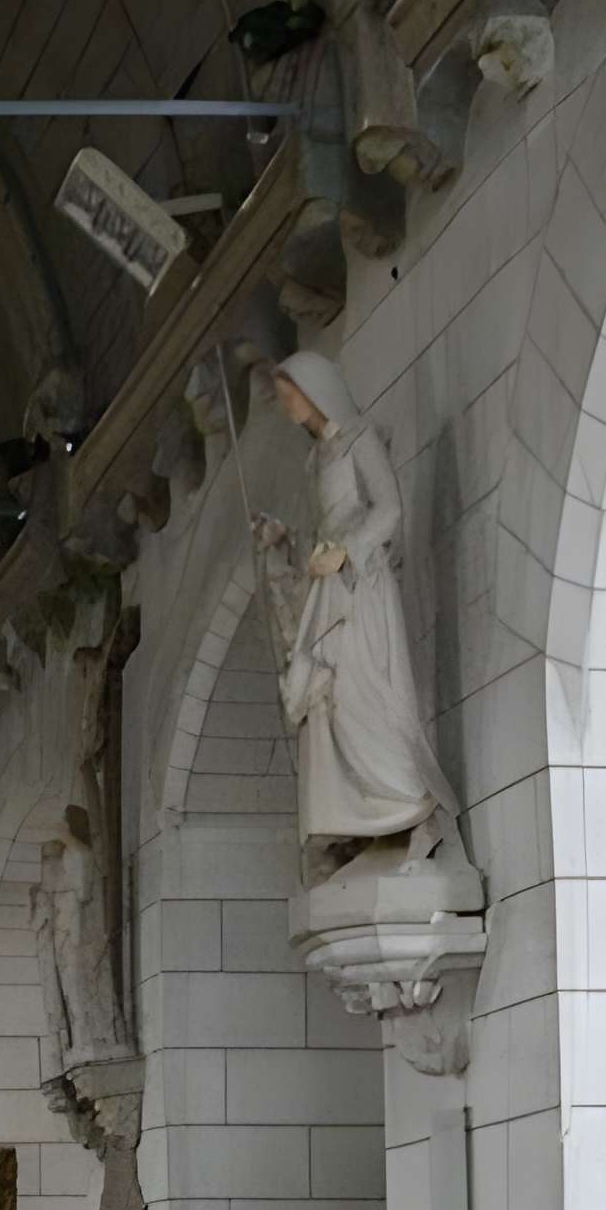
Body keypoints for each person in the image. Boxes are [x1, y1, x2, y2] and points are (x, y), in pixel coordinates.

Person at [253, 349, 460, 880]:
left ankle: (413, 809)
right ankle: (364, 823)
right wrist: (286, 540)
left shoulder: (359, 439)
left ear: (315, 388)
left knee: (366, 694)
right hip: (330, 588)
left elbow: (388, 508)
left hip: (361, 589)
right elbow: (322, 530)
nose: (287, 406)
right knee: (333, 705)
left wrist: (346, 551)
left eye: (289, 394)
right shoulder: (316, 459)